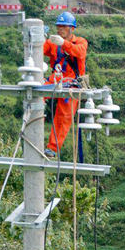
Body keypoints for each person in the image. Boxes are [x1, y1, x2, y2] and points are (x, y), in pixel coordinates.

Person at [43, 11, 88, 156]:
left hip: (72, 82)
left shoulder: (80, 42)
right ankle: (32, 127)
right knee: (36, 96)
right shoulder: (52, 43)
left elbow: (79, 52)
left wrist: (63, 43)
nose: (60, 29)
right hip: (56, 78)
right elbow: (40, 50)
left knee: (64, 115)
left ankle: (52, 148)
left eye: (63, 26)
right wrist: (38, 39)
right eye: (59, 26)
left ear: (71, 28)